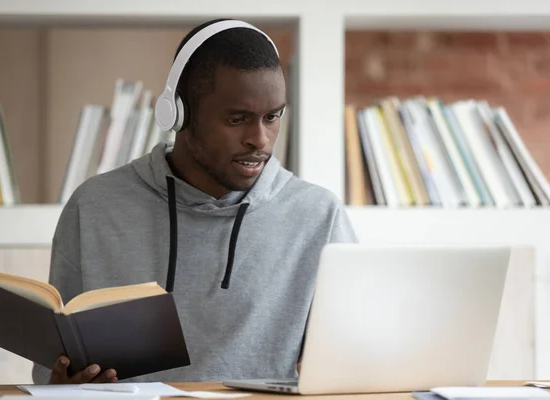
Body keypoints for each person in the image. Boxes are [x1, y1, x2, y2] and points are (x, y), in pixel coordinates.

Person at [32, 18, 356, 385]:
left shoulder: (318, 215)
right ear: (178, 114)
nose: (260, 139)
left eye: (272, 117)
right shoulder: (95, 207)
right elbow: (49, 367)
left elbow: (356, 363)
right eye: (238, 119)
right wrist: (61, 384)